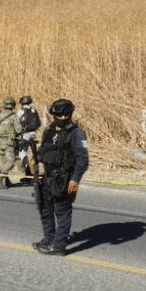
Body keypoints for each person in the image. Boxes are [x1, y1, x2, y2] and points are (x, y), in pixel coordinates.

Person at [33, 99, 89, 256]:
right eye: (59, 114)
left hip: (64, 179)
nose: (63, 117)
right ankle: (49, 239)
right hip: (47, 177)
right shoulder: (48, 131)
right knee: (44, 209)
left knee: (62, 211)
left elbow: (83, 160)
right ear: (53, 114)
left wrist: (75, 180)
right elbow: (43, 149)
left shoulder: (77, 133)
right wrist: (35, 160)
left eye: (66, 114)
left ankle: (59, 246)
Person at [0, 97, 22, 189]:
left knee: (4, 161)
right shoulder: (13, 116)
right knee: (11, 162)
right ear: (13, 106)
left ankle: (7, 181)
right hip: (9, 143)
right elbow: (18, 130)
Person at [17, 95, 42, 182]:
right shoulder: (34, 111)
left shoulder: (20, 112)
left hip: (24, 135)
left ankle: (28, 174)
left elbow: (17, 125)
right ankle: (35, 175)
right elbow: (39, 124)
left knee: (22, 153)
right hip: (33, 135)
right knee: (34, 155)